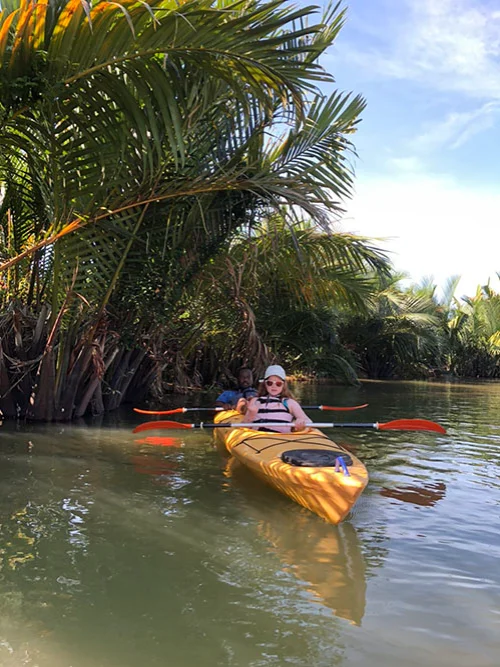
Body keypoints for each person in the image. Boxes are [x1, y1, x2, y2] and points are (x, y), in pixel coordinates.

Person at [245, 365, 308, 433]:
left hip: (281, 439)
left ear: (283, 385)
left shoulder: (289, 403)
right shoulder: (255, 401)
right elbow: (243, 426)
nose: (274, 386)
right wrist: (251, 415)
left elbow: (308, 421)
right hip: (258, 438)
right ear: (265, 384)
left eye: (278, 383)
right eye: (270, 383)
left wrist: (301, 421)